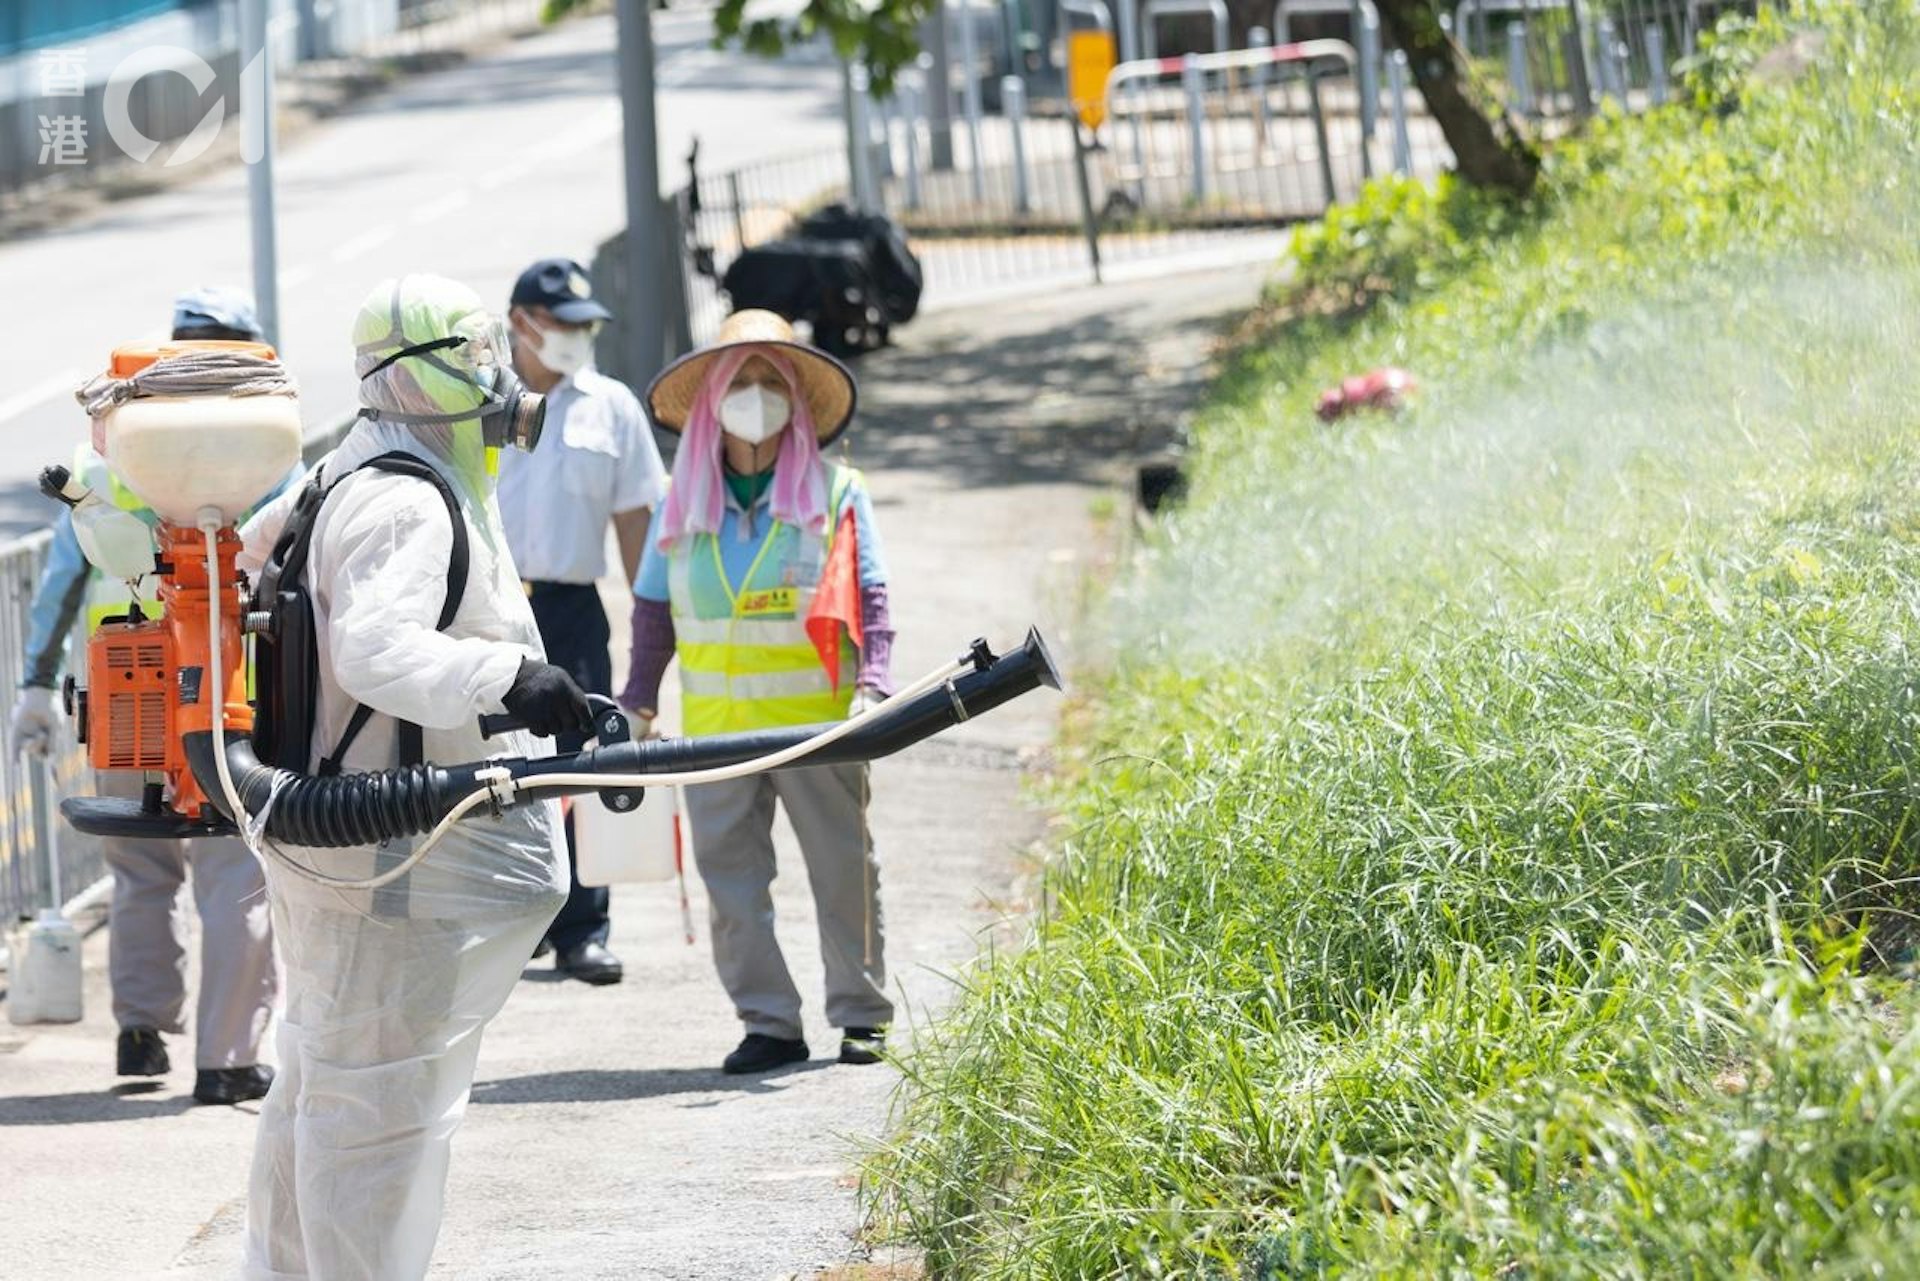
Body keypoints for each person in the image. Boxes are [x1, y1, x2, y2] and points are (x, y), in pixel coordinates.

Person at [235, 274, 592, 1278]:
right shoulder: (405, 500)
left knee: (322, 1082)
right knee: (375, 1114)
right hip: (392, 858)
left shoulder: (346, 471)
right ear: (425, 378)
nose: (498, 374)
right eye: (477, 354)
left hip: (343, 843)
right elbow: (377, 653)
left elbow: (255, 553)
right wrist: (508, 677)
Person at [8, 286, 282, 1106]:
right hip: (236, 694)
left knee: (140, 872)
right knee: (237, 874)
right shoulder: (271, 442)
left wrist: (32, 686)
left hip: (128, 701)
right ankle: (226, 1059)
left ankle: (139, 1028)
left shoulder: (113, 452)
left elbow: (60, 584)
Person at [620, 309, 897, 1075]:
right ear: (711, 400)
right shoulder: (682, 500)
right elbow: (653, 612)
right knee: (734, 889)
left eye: (770, 380)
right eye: (738, 381)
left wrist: (876, 684)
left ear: (796, 399)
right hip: (712, 735)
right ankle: (769, 1022)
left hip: (820, 729)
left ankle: (862, 1015)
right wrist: (638, 699)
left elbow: (870, 597)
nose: (754, 395)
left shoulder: (839, 491)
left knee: (845, 875)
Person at [497, 257, 668, 985]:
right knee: (492, 766)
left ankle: (582, 928)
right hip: (490, 607)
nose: (575, 337)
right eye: (562, 324)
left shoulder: (612, 405)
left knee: (585, 758)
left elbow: (636, 521)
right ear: (521, 324)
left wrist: (652, 639)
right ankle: (511, 921)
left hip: (572, 606)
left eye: (583, 325)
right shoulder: (477, 401)